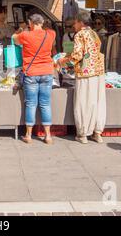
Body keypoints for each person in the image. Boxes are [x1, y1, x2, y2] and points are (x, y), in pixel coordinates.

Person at [58, 12, 106, 144]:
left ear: (80, 22)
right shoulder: (95, 34)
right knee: (97, 102)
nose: (73, 25)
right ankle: (97, 132)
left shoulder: (80, 34)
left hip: (85, 73)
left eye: (75, 22)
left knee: (83, 102)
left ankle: (83, 134)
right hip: (98, 72)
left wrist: (63, 61)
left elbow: (77, 55)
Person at [13, 14, 56, 145]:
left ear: (30, 23)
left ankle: (28, 135)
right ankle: (48, 136)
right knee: (45, 103)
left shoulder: (25, 35)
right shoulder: (51, 34)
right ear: (42, 23)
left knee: (31, 104)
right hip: (47, 72)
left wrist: (21, 29)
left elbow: (14, 39)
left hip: (31, 73)